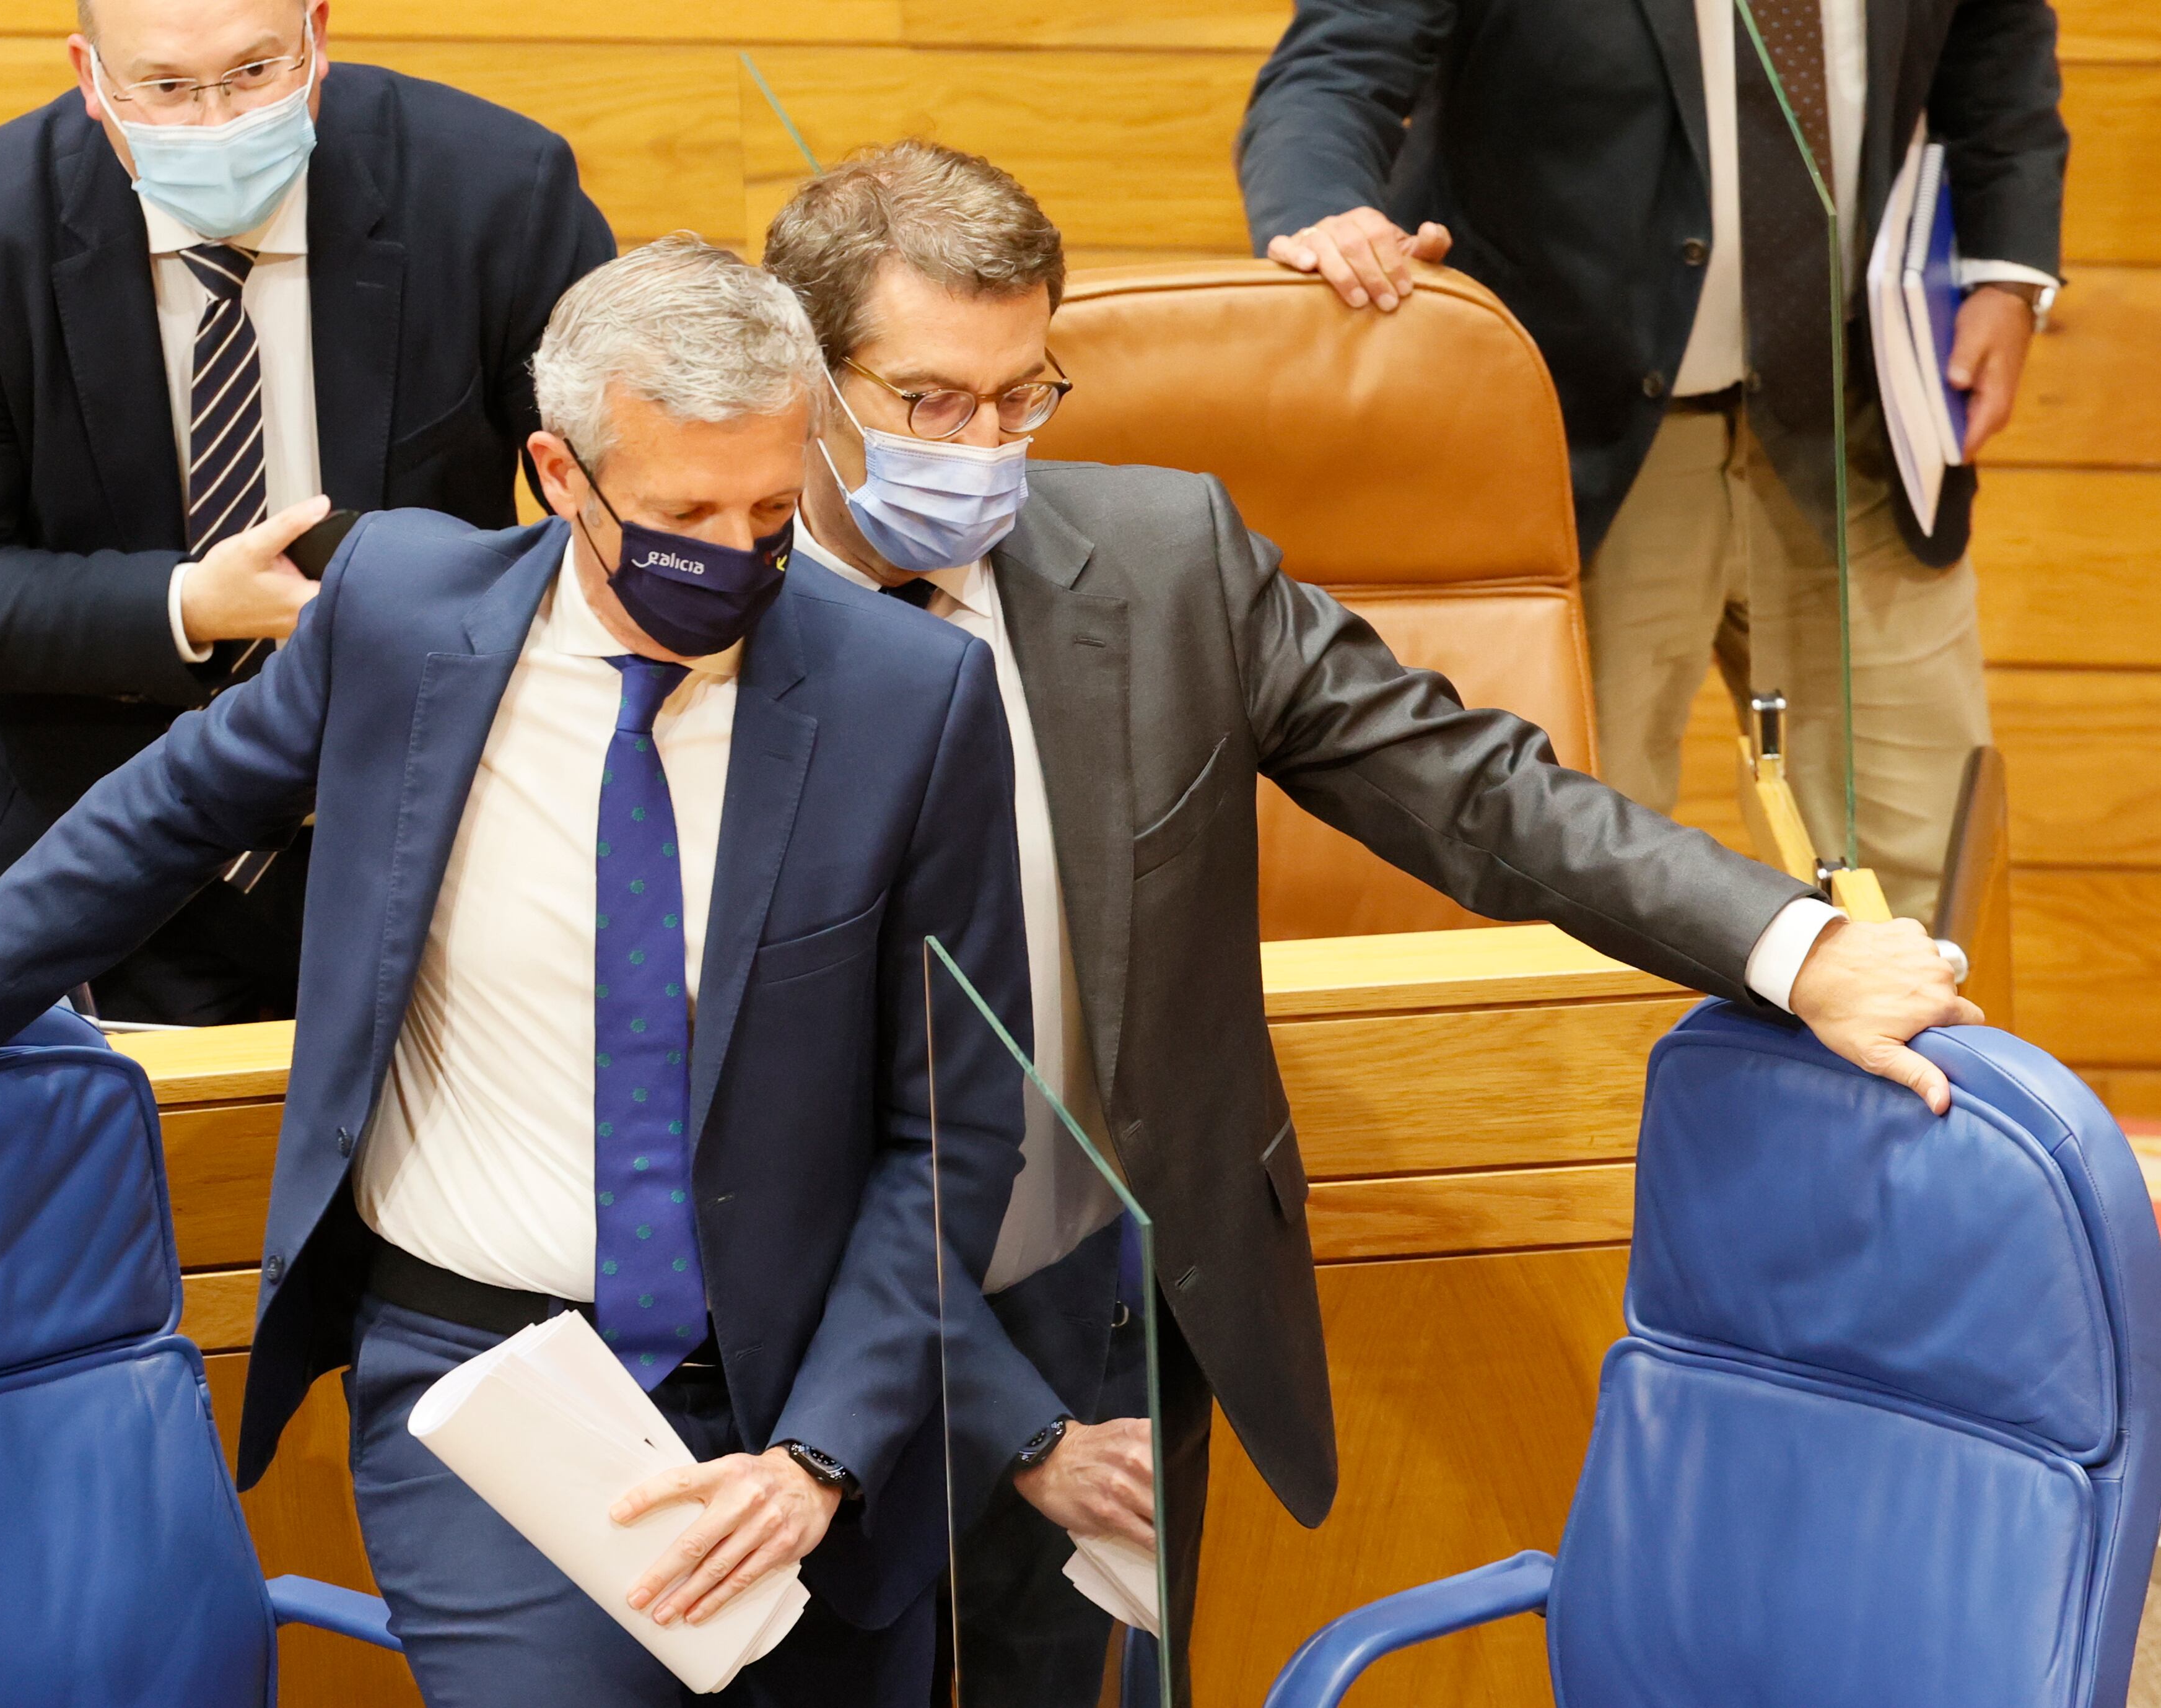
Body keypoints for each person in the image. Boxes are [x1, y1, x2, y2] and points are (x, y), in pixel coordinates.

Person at [0, 238, 1032, 1708]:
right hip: (487, 1369)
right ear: (557, 471)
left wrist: (819, 1454)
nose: (730, 556)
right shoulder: (405, 610)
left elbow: (954, 1127)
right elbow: (178, 809)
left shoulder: (911, 699)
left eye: (770, 512)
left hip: (801, 1400)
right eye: (681, 515)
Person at [759, 138, 1982, 1700]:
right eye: (931, 403)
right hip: (798, 1323)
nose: (985, 449)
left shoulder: (1159, 557)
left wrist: (1794, 944)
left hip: (1097, 1298)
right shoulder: (702, 616)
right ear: (803, 381)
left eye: (1024, 396)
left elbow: (1473, 788)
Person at [1236, 0, 2067, 929]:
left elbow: (1996, 39)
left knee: (1929, 862)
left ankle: (1926, 1077)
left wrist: (2007, 265)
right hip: (1577, 426)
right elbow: (1335, 67)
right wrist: (1328, 219)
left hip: (1851, 417)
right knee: (1578, 862)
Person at [0, 0, 615, 1024]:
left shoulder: (496, 194)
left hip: (440, 826)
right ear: (91, 77)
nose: (219, 119)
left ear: (317, 35)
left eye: (255, 70)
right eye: (168, 88)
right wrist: (189, 605)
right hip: (105, 857)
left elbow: (614, 503)